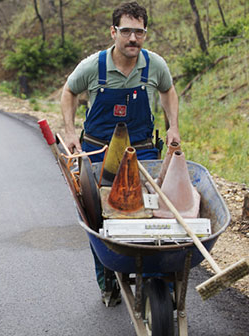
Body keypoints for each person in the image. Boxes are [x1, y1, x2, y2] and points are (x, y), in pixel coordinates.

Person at [60, 1, 180, 303]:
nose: (132, 39)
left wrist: (173, 127)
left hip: (141, 152)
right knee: (97, 218)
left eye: (138, 32)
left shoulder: (155, 66)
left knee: (151, 213)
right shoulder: (93, 66)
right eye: (126, 31)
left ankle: (155, 278)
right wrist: (71, 132)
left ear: (145, 34)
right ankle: (108, 280)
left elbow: (168, 90)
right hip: (97, 154)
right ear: (113, 32)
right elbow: (69, 92)